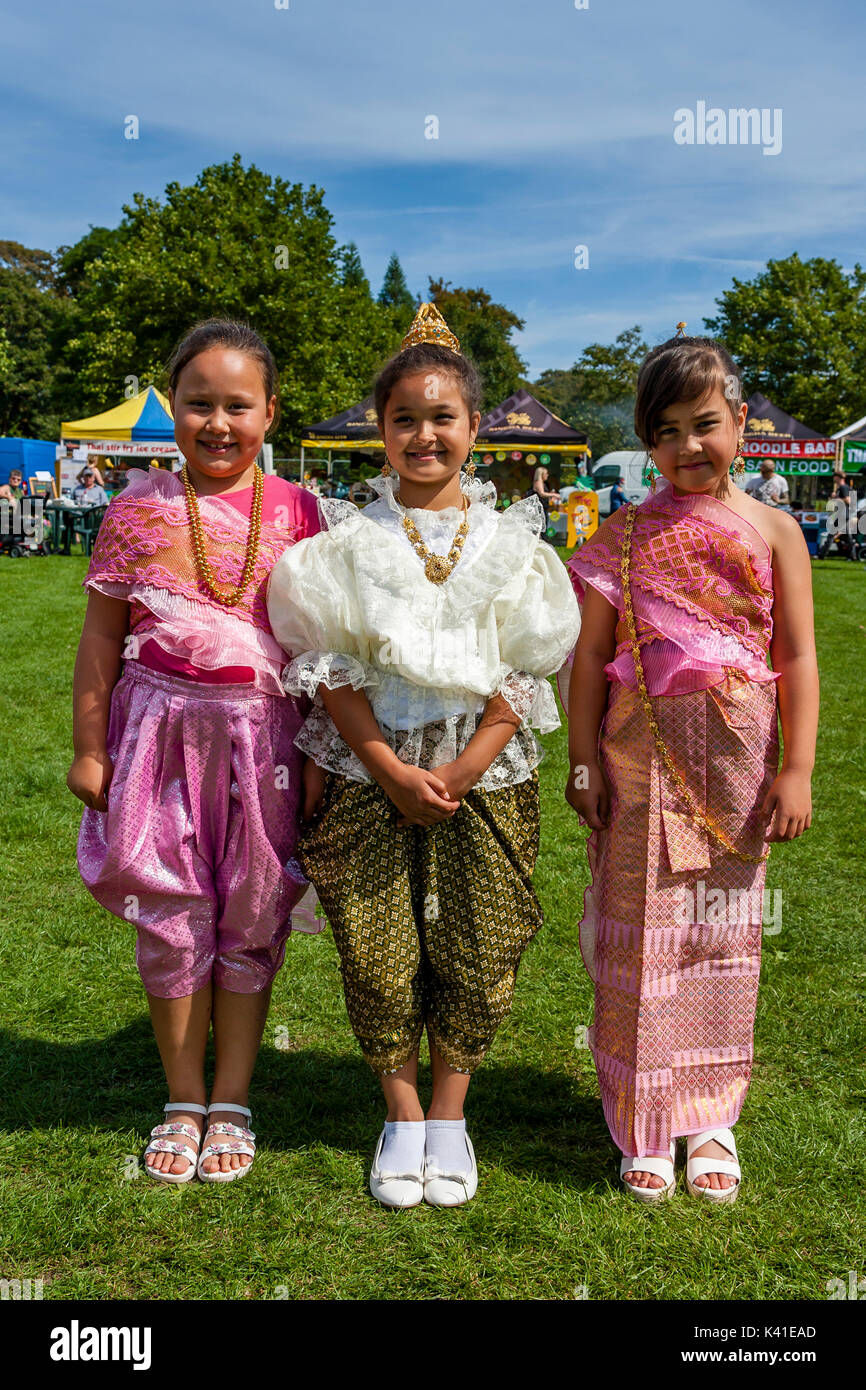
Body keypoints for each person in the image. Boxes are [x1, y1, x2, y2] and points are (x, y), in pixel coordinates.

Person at [267, 303, 581, 1209]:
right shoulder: (343, 546)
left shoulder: (515, 547)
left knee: (479, 947)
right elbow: (327, 662)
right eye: (404, 417)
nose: (424, 434)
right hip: (370, 773)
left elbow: (525, 668)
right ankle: (400, 1115)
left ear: (476, 428)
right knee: (378, 949)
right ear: (381, 428)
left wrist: (465, 765)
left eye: (443, 417)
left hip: (482, 773)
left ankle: (451, 1115)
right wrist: (390, 766)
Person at [563, 332, 818, 1205]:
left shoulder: (777, 530)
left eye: (704, 424)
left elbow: (798, 655)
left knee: (721, 934)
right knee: (642, 933)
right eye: (665, 430)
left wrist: (800, 768)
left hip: (740, 763)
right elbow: (589, 659)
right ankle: (644, 1115)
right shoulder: (621, 535)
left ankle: (709, 1115)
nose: (687, 446)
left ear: (741, 422)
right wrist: (583, 761)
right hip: (640, 758)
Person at [67, 318, 321, 1185]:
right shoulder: (136, 510)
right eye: (198, 403)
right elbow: (101, 637)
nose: (218, 423)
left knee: (253, 910)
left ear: (270, 411)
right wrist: (88, 748)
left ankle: (233, 1101)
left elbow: (323, 650)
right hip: (156, 740)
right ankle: (182, 1098)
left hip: (267, 746)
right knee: (172, 911)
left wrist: (322, 761)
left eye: (237, 405)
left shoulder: (301, 512)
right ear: (170, 408)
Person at [530, 464, 561, 541]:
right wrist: (554, 494)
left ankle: (541, 541)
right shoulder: (538, 482)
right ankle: (540, 541)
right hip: (539, 508)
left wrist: (550, 498)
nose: (547, 475)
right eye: (546, 473)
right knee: (540, 525)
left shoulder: (542, 483)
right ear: (541, 474)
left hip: (543, 506)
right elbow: (542, 493)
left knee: (543, 525)